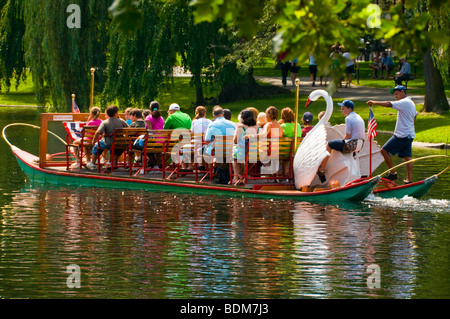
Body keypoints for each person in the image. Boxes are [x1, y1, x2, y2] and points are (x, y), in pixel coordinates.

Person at [366, 85, 417, 184]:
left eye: (397, 94)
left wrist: (374, 102)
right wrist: (409, 125)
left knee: (384, 151)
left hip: (401, 135)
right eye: (394, 95)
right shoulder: (411, 103)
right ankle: (409, 180)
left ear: (403, 92)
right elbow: (415, 116)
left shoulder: (404, 102)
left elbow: (389, 104)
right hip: (409, 135)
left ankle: (392, 174)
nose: (395, 96)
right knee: (407, 157)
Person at [317, 100, 365, 183]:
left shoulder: (348, 118)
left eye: (343, 109)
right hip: (360, 145)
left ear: (349, 109)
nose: (342, 111)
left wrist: (342, 139)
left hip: (351, 144)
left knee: (329, 144)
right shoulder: (358, 116)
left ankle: (321, 170)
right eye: (341, 109)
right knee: (337, 142)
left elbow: (348, 135)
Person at [87, 105, 129, 171]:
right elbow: (128, 129)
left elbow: (98, 132)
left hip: (109, 142)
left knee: (96, 146)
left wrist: (93, 140)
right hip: (120, 143)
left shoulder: (105, 122)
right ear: (115, 113)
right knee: (116, 148)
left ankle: (92, 163)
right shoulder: (121, 121)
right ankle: (112, 162)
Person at [204, 106, 237, 184]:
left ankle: (211, 173)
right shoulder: (232, 124)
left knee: (205, 150)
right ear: (223, 114)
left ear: (213, 115)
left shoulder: (212, 124)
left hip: (218, 151)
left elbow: (207, 139)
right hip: (230, 150)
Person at [231, 109, 259, 185]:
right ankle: (245, 174)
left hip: (242, 151)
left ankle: (236, 176)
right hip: (253, 152)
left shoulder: (240, 126)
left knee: (234, 155)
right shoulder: (257, 127)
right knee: (247, 156)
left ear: (242, 117)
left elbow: (235, 141)